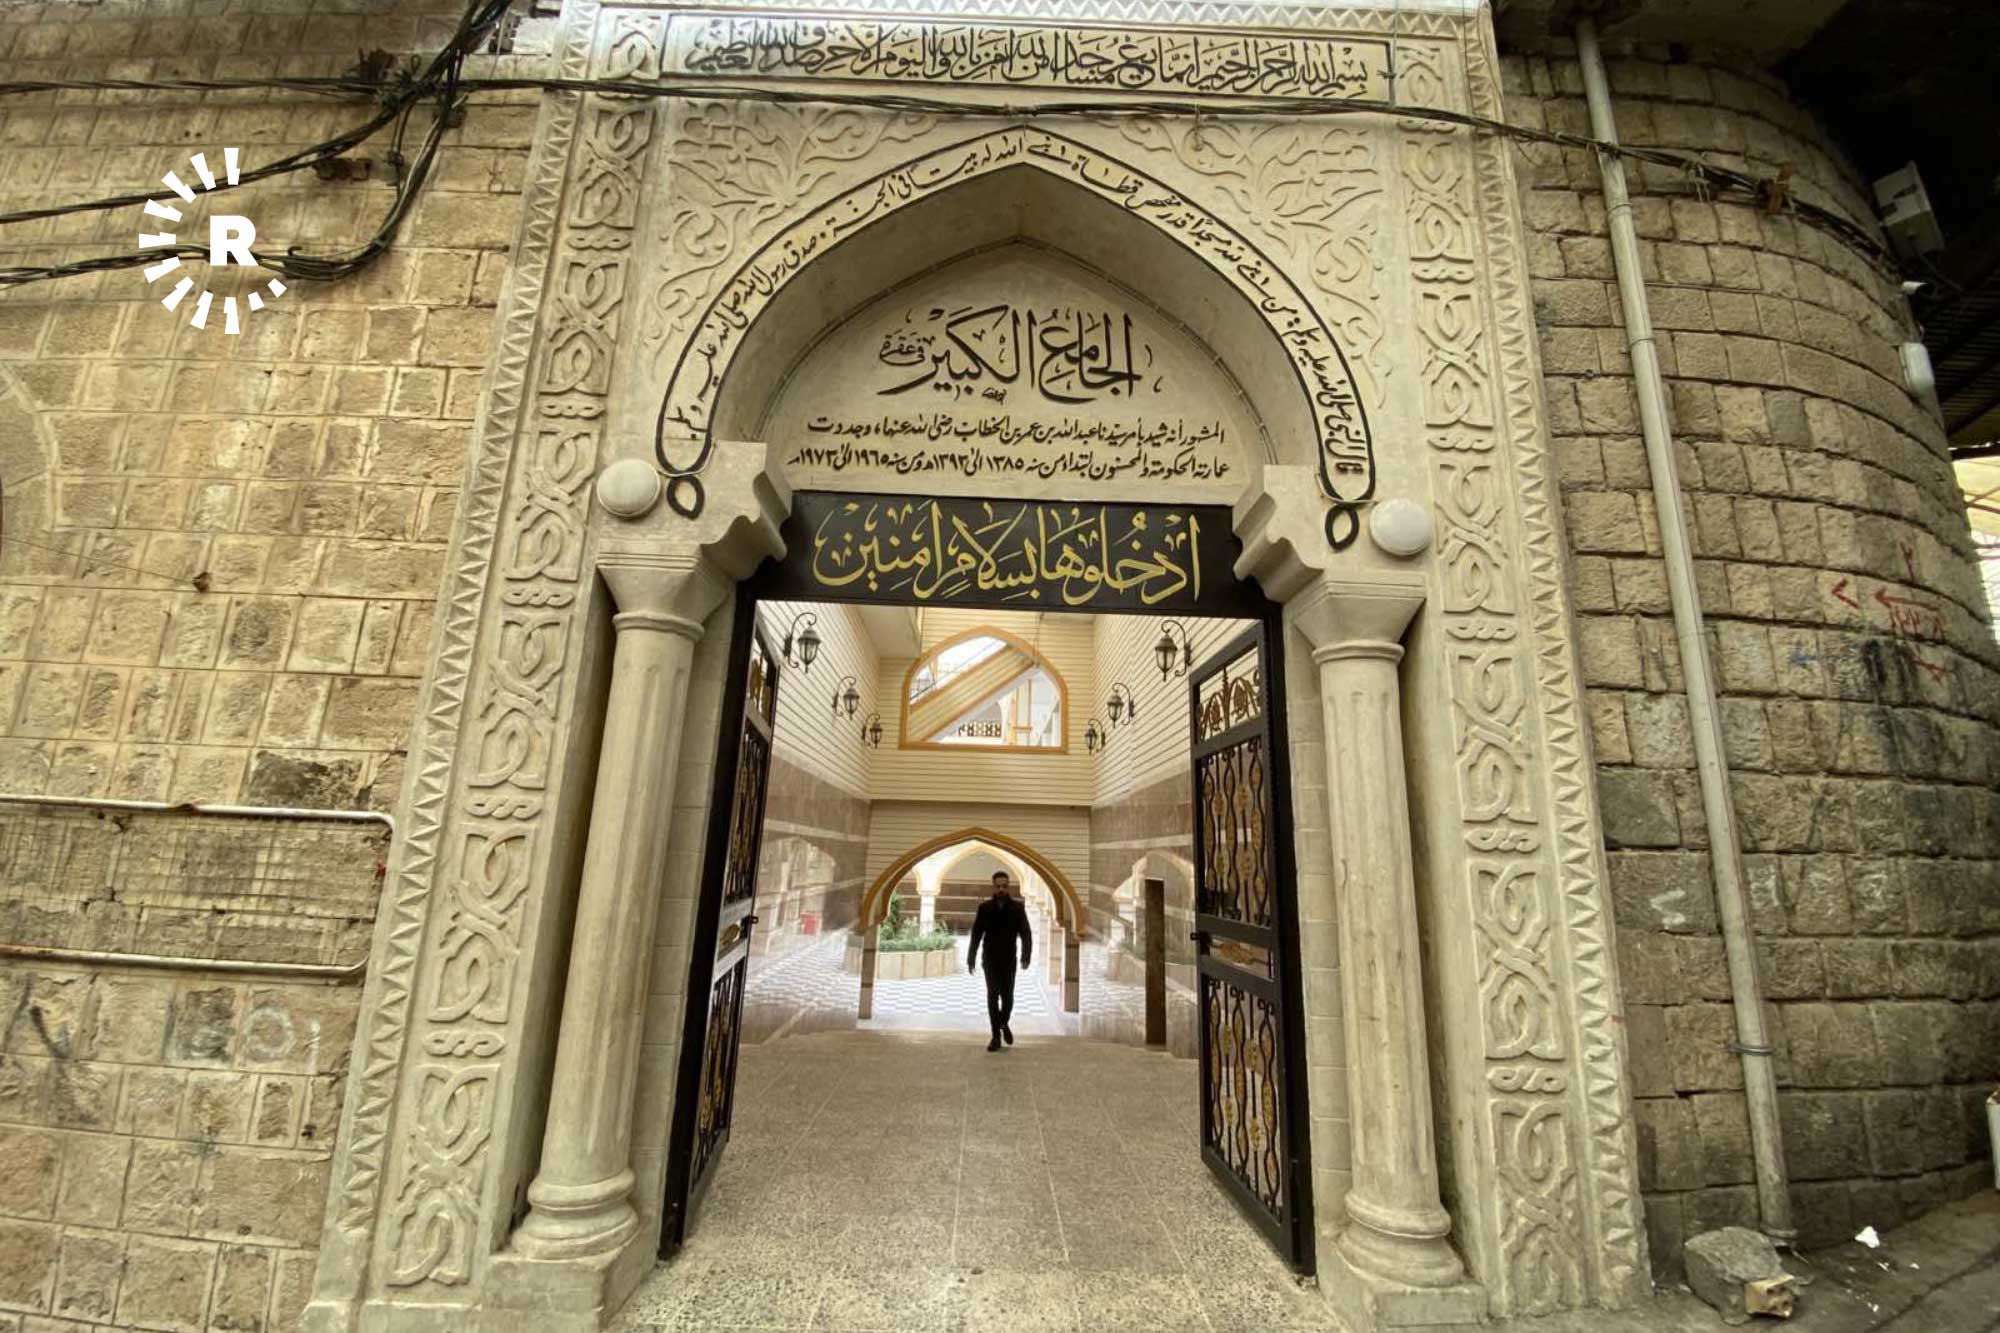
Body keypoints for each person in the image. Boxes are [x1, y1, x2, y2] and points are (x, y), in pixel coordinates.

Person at [967, 869, 1032, 1052]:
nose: (1001, 889)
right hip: (990, 960)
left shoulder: (1017, 908)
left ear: (1008, 886)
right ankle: (995, 1036)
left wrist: (1025, 957)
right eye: (998, 886)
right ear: (993, 887)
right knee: (992, 995)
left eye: (1004, 886)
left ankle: (1003, 1022)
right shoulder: (985, 908)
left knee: (1008, 997)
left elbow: (1026, 933)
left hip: (1009, 960)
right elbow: (976, 934)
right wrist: (971, 958)